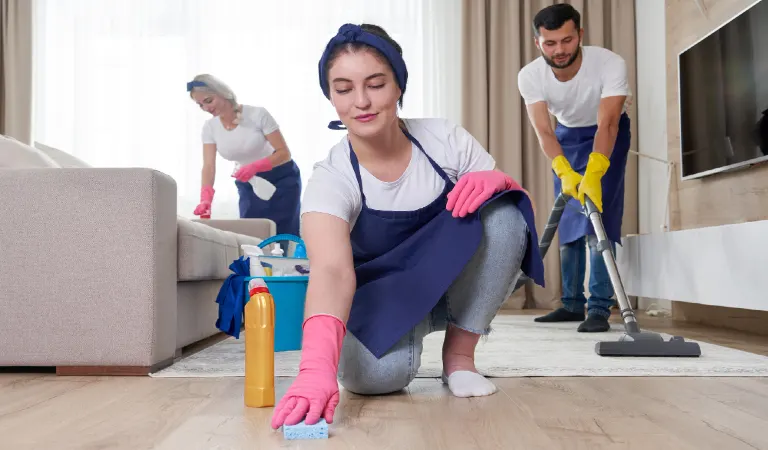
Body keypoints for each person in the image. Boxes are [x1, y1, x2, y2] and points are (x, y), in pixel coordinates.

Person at [268, 23, 545, 430]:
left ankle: (460, 358)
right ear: (331, 97)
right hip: (382, 294)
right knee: (375, 379)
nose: (361, 102)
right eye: (343, 89)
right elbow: (330, 270)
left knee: (504, 214)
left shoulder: (444, 139)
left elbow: (518, 225)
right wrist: (314, 369)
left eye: (376, 84)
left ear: (399, 85)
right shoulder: (332, 177)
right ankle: (402, 340)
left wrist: (506, 183)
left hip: (447, 280)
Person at [517, 4, 632, 332]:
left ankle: (598, 308)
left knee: (599, 215)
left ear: (579, 35)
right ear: (537, 42)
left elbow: (608, 123)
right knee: (568, 218)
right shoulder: (530, 75)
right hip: (565, 136)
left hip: (607, 133)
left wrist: (595, 170)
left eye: (567, 40)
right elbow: (544, 131)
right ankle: (570, 304)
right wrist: (564, 170)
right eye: (550, 43)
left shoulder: (609, 64)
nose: (560, 50)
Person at [187, 74, 302, 240]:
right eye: (200, 105)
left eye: (208, 100)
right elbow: (209, 166)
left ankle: (287, 267)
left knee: (283, 235)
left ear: (222, 93)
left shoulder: (257, 114)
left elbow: (284, 153)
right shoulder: (210, 128)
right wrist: (206, 199)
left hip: (282, 179)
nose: (206, 108)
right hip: (249, 182)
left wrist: (255, 166)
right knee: (251, 235)